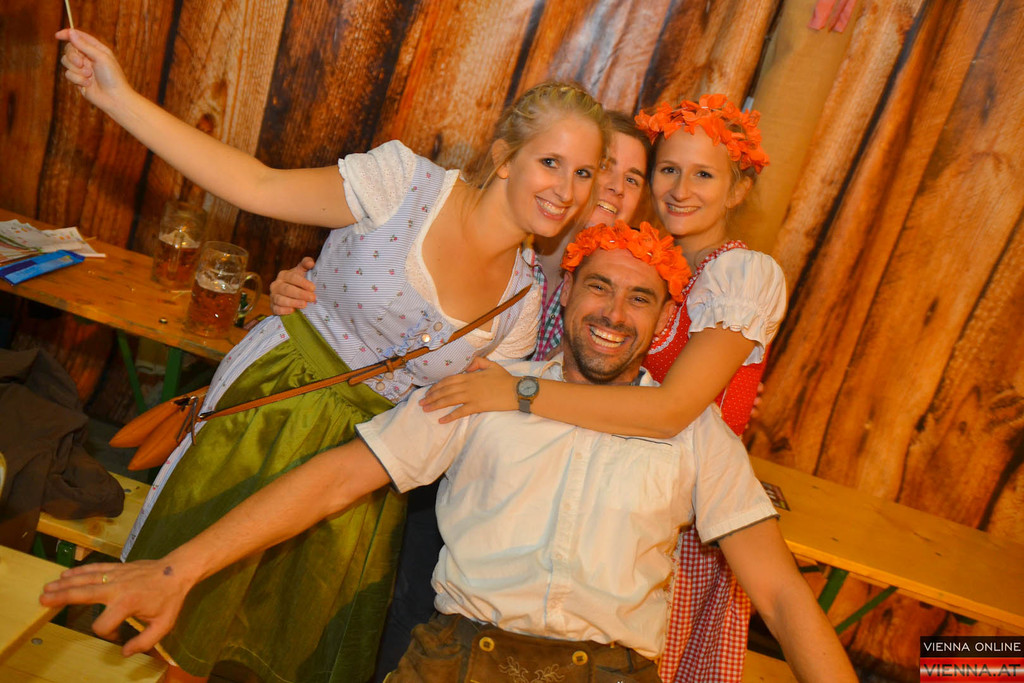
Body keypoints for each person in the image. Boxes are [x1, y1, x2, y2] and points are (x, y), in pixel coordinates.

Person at [41, 221, 855, 682]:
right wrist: (175, 569)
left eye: (640, 298)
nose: (614, 313)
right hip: (459, 661)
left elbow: (782, 595)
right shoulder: (483, 390)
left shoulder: (694, 432)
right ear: (566, 292)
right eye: (599, 286)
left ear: (665, 319)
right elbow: (334, 478)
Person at [56, 27, 608, 682]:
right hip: (272, 402)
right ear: (505, 157)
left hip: (358, 471)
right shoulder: (403, 183)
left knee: (265, 651)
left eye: (583, 172)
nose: (566, 188)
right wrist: (116, 97)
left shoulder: (522, 303)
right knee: (175, 632)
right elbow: (257, 185)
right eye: (551, 162)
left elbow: (449, 432)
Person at [266, 109, 652, 678]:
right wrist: (307, 288)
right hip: (434, 444)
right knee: (392, 601)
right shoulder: (519, 239)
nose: (613, 186)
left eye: (633, 177)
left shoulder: (635, 283)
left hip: (529, 485)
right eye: (603, 168)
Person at [418, 93, 786, 682]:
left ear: (738, 190)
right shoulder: (620, 264)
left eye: (703, 175)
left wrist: (516, 393)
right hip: (563, 502)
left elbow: (671, 409)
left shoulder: (737, 274)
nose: (680, 189)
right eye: (669, 170)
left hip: (671, 511)